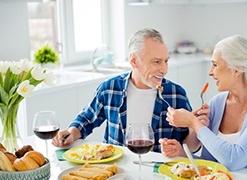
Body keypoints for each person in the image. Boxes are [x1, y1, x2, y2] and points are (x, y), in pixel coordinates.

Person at [52, 28, 193, 152]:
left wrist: (194, 127)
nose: (164, 69)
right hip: (116, 171)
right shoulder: (109, 89)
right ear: (134, 61)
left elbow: (189, 142)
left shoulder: (176, 94)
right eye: (156, 62)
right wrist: (70, 133)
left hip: (159, 172)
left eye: (166, 61)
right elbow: (86, 120)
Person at [160, 35, 247, 175]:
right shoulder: (218, 102)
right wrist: (182, 153)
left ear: (237, 69)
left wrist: (193, 123)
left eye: (215, 65)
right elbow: (212, 163)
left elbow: (233, 159)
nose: (210, 72)